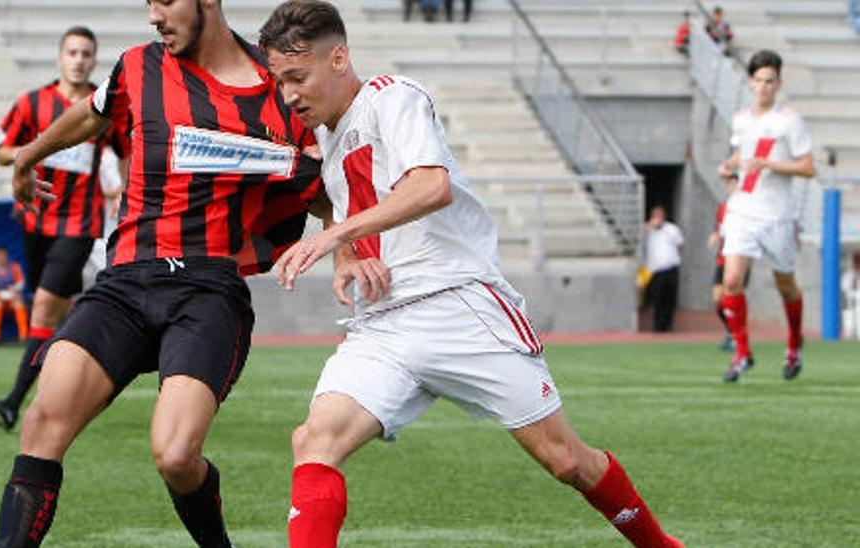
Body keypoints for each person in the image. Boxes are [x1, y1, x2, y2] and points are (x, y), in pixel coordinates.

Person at [258, 2, 682, 547]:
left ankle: (661, 545)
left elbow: (432, 186)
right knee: (316, 440)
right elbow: (339, 201)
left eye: (298, 77)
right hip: (384, 324)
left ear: (338, 57)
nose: (289, 94)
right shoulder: (326, 134)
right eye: (280, 81)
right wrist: (346, 251)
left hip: (457, 305)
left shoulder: (393, 97)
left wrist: (335, 237)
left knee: (565, 460)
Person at [0, 0, 322, 545]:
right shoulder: (138, 66)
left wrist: (351, 245)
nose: (153, 15)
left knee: (174, 454)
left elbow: (315, 183)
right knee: (42, 421)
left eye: (165, 1)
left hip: (207, 288)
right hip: (124, 283)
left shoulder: (276, 87)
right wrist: (30, 153)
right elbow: (93, 113)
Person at [0, 25, 128, 430]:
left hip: (80, 223)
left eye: (86, 53)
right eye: (73, 52)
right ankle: (74, 374)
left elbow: (127, 151)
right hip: (33, 218)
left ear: (93, 60)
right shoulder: (33, 103)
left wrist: (128, 192)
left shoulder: (107, 105)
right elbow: (0, 152)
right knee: (54, 312)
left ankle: (13, 403)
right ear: (60, 58)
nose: (79, 60)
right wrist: (29, 155)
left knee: (44, 306)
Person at [716, 49, 815, 382]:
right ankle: (742, 353)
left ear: (778, 83)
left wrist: (770, 164)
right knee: (731, 280)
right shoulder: (742, 118)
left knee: (785, 285)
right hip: (744, 209)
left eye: (770, 81)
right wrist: (729, 165)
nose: (764, 87)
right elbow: (739, 154)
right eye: (759, 80)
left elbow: (807, 167)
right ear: (750, 82)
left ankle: (794, 343)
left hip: (777, 215)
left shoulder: (789, 121)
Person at [707, 179, 748, 350]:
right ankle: (731, 331)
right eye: (730, 184)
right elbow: (720, 228)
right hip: (722, 259)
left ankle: (738, 337)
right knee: (717, 299)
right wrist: (715, 235)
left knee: (732, 295)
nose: (732, 188)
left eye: (735, 184)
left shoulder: (747, 209)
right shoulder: (723, 208)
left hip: (738, 259)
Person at [642, 206, 684, 333]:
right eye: (655, 216)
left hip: (671, 268)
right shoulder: (648, 230)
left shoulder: (672, 229)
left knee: (670, 297)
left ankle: (668, 323)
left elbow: (680, 245)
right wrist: (649, 226)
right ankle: (658, 324)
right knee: (657, 297)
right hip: (655, 269)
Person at [0, 246, 28, 344]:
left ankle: (23, 336)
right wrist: (0, 292)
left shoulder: (14, 266)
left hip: (12, 296)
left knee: (19, 304)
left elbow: (21, 283)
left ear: (7, 256)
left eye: (3, 255)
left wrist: (14, 288)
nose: (1, 257)